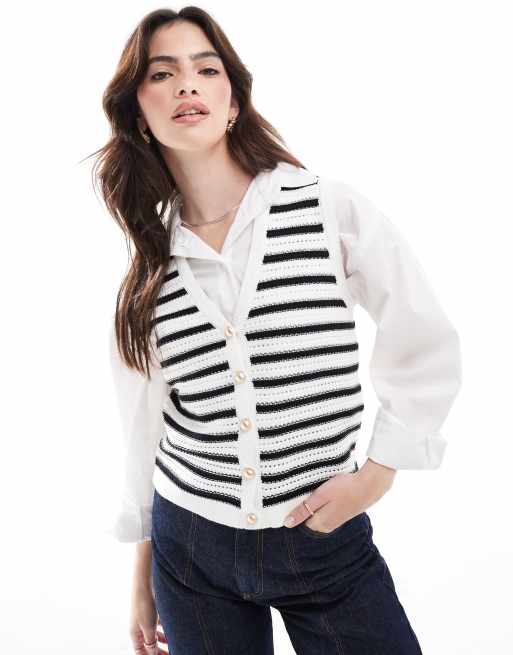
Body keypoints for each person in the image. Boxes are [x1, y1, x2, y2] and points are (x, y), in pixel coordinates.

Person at [93, 6, 462, 654]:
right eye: (163, 73)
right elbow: (144, 428)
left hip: (322, 539)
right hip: (191, 551)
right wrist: (141, 575)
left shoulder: (325, 208)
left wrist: (377, 473)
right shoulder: (148, 267)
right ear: (139, 114)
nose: (187, 84)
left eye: (206, 69)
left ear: (233, 102)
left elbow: (423, 335)